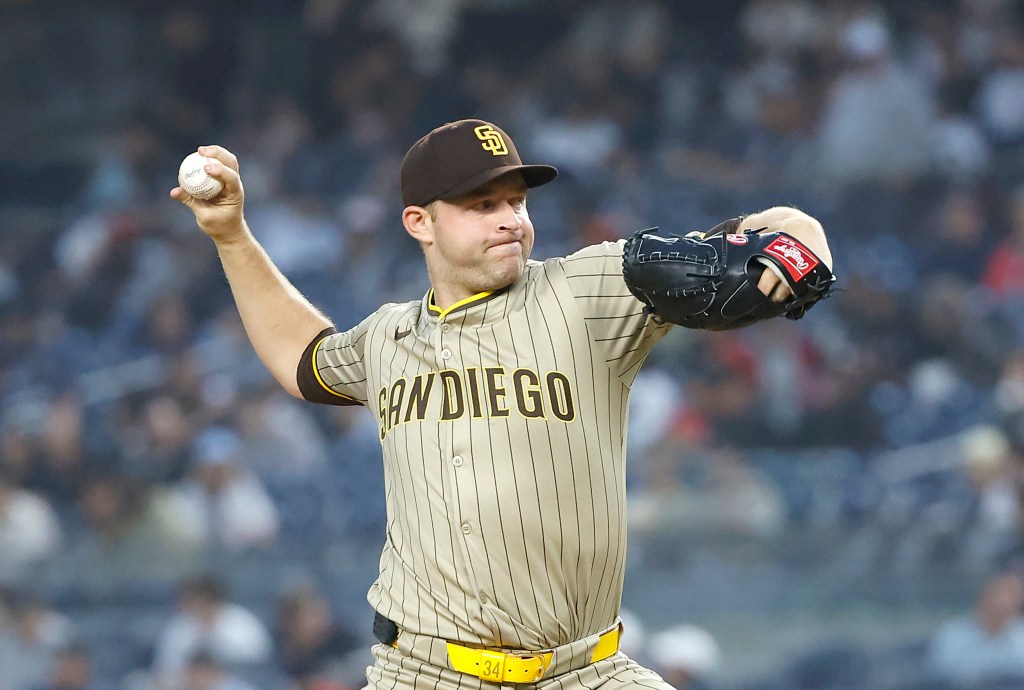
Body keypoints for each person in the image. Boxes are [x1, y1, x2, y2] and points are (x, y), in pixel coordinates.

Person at [171, 118, 833, 690]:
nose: (509, 219)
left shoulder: (590, 289)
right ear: (419, 222)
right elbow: (302, 358)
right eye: (481, 204)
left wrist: (798, 239)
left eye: (516, 200)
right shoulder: (388, 338)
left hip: (583, 670)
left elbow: (773, 233)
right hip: (425, 672)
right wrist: (231, 237)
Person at [927, 571, 1024, 684]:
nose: (1018, 600)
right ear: (987, 594)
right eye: (1010, 593)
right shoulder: (951, 635)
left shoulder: (1020, 633)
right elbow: (943, 677)